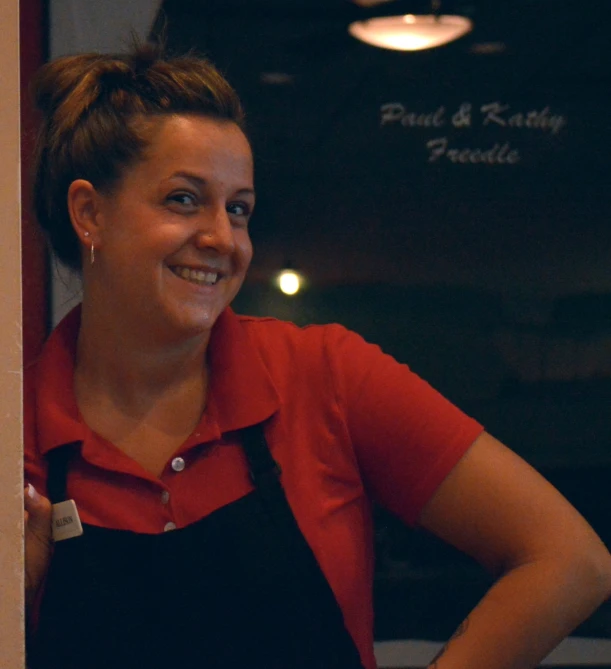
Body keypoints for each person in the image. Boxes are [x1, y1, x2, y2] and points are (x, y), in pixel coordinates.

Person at [23, 43, 611, 669]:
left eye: (239, 209)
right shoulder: (18, 433)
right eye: (184, 200)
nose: (223, 239)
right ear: (90, 213)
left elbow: (570, 559)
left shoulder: (323, 374)